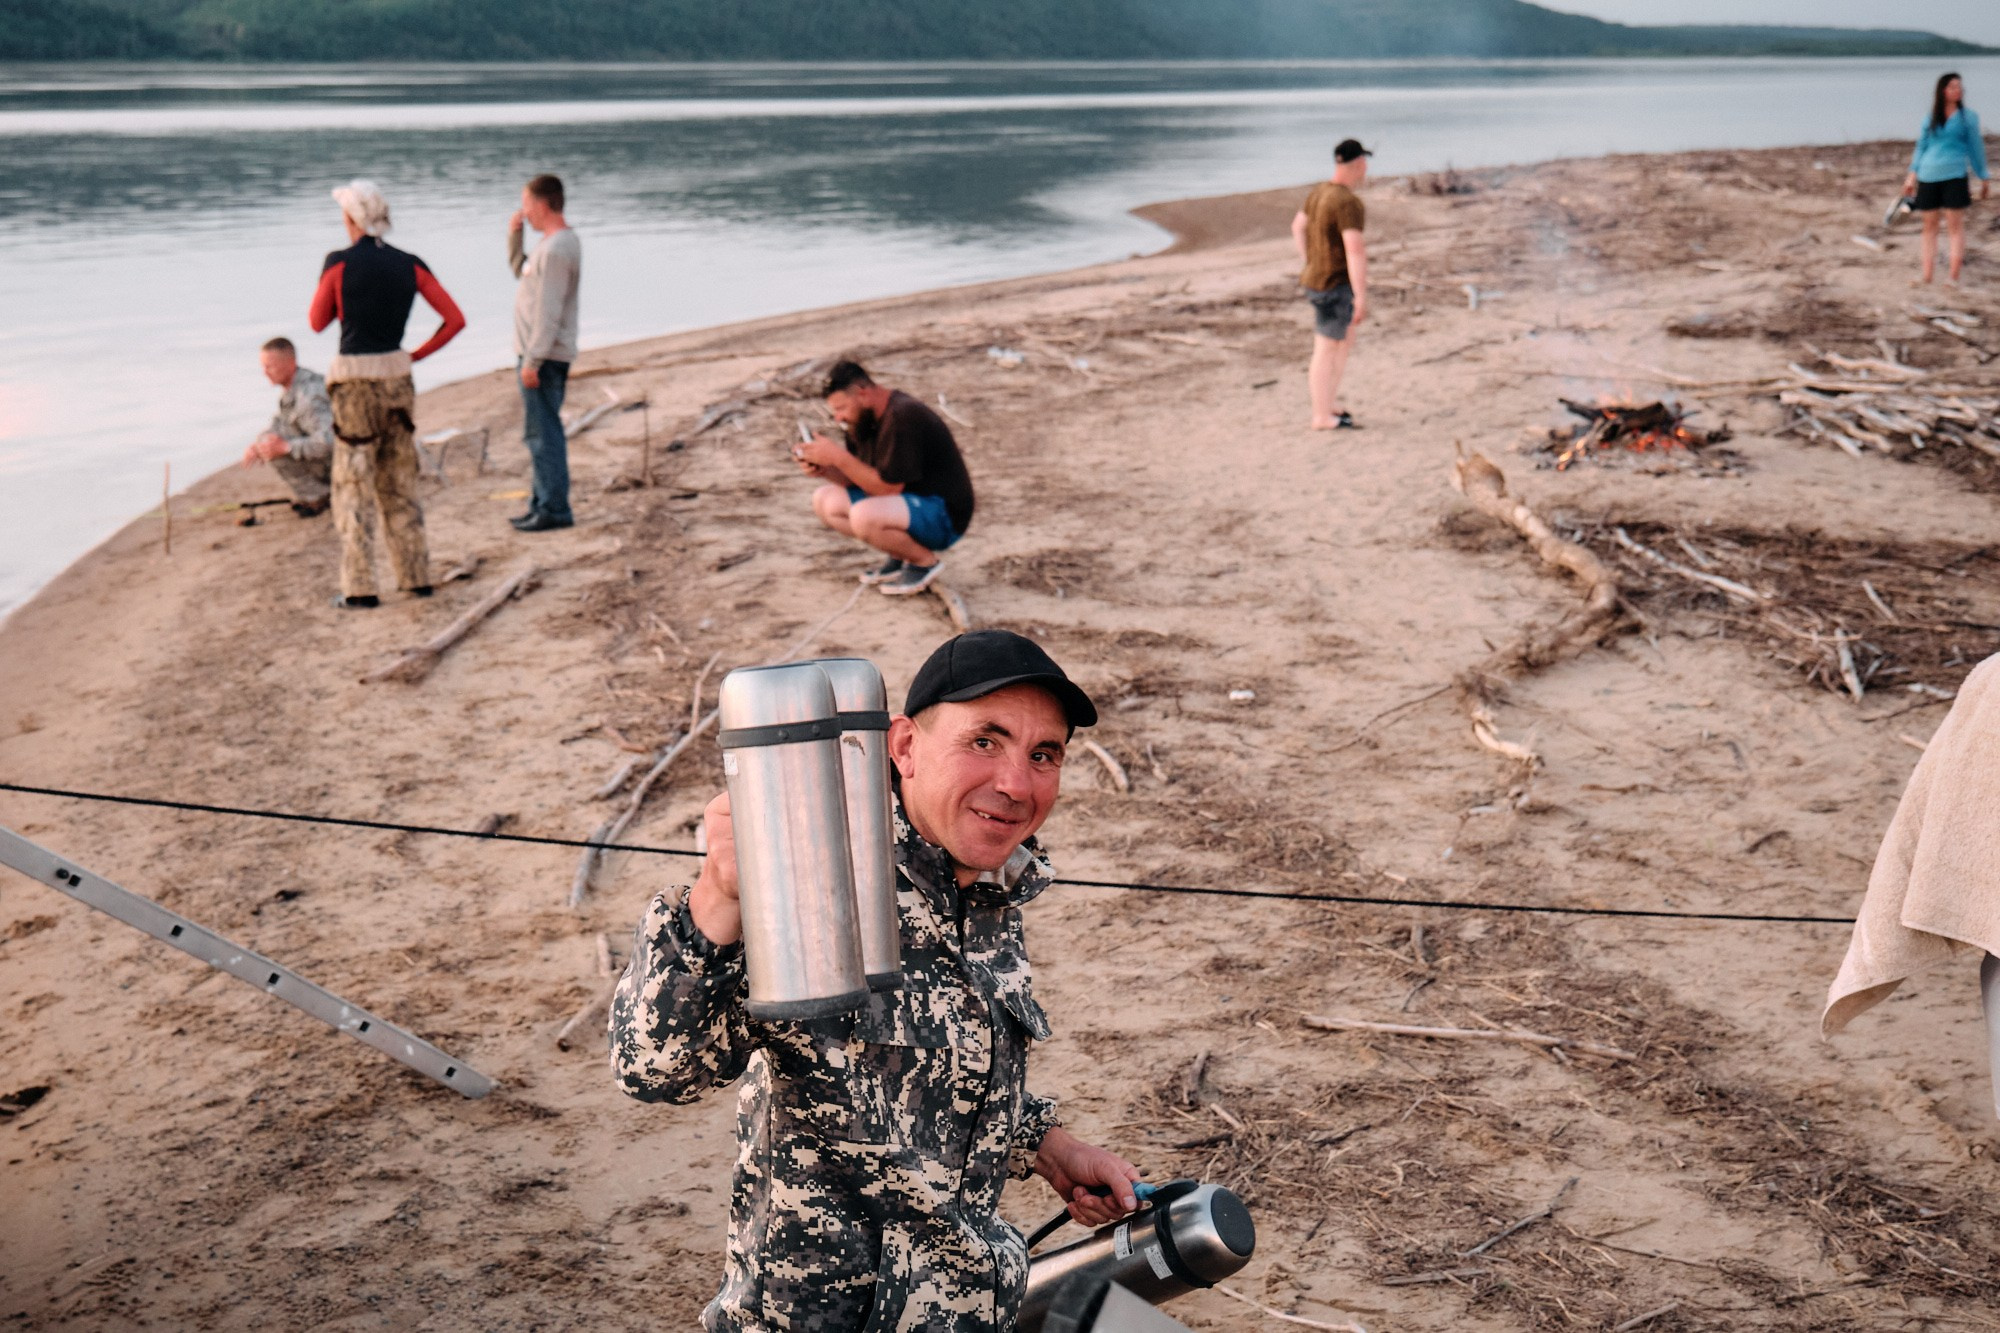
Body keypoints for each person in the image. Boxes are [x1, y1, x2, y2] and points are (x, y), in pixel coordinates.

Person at [611, 629, 1142, 1331]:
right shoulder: (817, 877)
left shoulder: (991, 886)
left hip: (968, 1306)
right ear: (903, 747)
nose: (1017, 783)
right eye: (985, 740)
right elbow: (654, 1068)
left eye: (1043, 754)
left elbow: (933, 1079)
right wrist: (717, 896)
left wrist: (1052, 1148)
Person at [308, 179, 466, 609]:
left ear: (350, 218)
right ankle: (415, 577)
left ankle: (360, 588)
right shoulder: (410, 264)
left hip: (355, 382)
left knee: (353, 486)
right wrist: (416, 355)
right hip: (398, 380)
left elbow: (317, 321)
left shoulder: (338, 263)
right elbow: (454, 320)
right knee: (400, 481)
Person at [797, 360, 974, 596]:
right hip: (907, 504)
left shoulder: (903, 415)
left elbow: (887, 488)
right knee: (824, 500)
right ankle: (901, 554)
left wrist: (838, 458)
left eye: (841, 408)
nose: (838, 418)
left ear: (863, 393)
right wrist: (826, 470)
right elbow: (863, 479)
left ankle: (923, 562)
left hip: (944, 515)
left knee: (864, 516)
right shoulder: (862, 420)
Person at [507, 173, 582, 533]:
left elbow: (548, 311)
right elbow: (518, 272)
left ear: (541, 204)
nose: (524, 213)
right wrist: (515, 235)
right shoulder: (549, 246)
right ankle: (541, 502)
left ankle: (554, 508)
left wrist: (533, 360)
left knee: (544, 433)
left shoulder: (555, 250)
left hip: (545, 356)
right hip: (540, 352)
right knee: (537, 432)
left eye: (526, 206)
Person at [1292, 138, 1372, 430]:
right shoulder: (1347, 202)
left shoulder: (1319, 192)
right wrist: (1361, 295)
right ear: (1359, 164)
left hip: (1317, 280)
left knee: (1342, 343)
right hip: (1334, 285)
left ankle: (1328, 404)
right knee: (1327, 348)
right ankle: (1321, 416)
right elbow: (1355, 249)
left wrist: (1309, 260)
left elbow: (1297, 226)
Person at [1903, 71, 1990, 287]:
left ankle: (1953, 276)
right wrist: (1911, 177)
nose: (1958, 90)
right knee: (1929, 226)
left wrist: (1984, 176)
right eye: (1953, 86)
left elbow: (1975, 148)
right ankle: (1927, 274)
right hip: (1928, 175)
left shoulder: (1968, 117)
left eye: (1960, 86)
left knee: (1954, 225)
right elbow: (1921, 147)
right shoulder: (1930, 118)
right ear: (1943, 90)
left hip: (1955, 175)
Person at [240, 337, 333, 517]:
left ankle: (319, 495)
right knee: (267, 442)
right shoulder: (293, 387)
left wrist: (286, 447)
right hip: (329, 458)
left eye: (270, 366)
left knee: (275, 449)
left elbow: (329, 442)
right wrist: (257, 445)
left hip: (341, 463)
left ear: (291, 363)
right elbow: (279, 425)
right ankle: (318, 492)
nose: (265, 373)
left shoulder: (309, 397)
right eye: (263, 367)